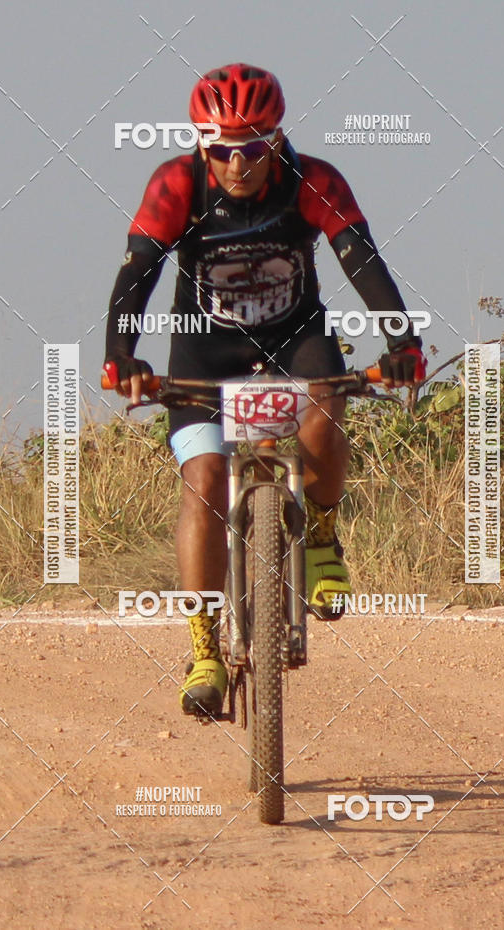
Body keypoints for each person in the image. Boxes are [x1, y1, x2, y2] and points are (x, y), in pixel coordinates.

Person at [103, 63, 426, 717]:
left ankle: (322, 537)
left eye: (252, 149)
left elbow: (361, 260)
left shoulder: (314, 180)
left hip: (295, 337)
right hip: (205, 348)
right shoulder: (176, 183)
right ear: (201, 143)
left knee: (325, 409)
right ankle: (204, 650)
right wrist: (121, 355)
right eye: (222, 149)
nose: (238, 165)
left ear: (276, 140)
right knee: (203, 480)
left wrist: (402, 344)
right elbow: (138, 273)